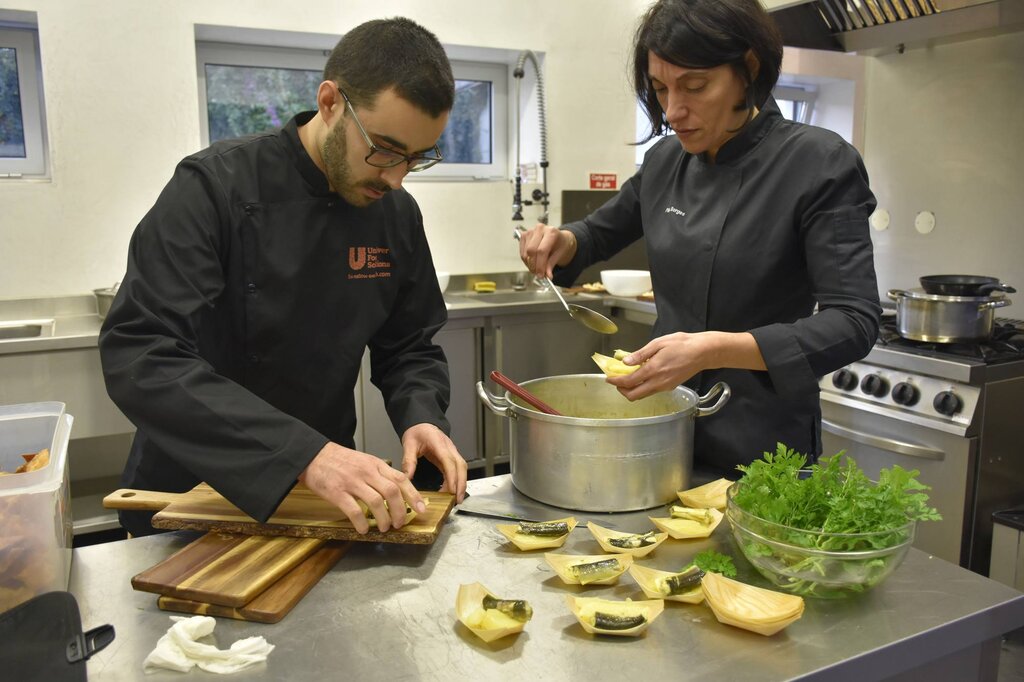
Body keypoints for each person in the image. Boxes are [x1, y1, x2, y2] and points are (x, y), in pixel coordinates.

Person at [99, 17, 468, 537]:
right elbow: (141, 353)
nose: (395, 177)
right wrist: (303, 454)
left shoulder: (395, 214)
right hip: (190, 494)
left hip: (326, 499)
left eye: (416, 158)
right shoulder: (213, 187)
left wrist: (422, 414)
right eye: (384, 150)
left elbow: (409, 344)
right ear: (330, 102)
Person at [518, 0, 880, 476]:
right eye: (660, 89)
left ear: (748, 69)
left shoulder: (819, 163)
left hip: (765, 440)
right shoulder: (665, 160)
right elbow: (595, 233)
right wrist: (564, 240)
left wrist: (713, 349)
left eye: (695, 86)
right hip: (664, 425)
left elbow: (854, 322)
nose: (673, 111)